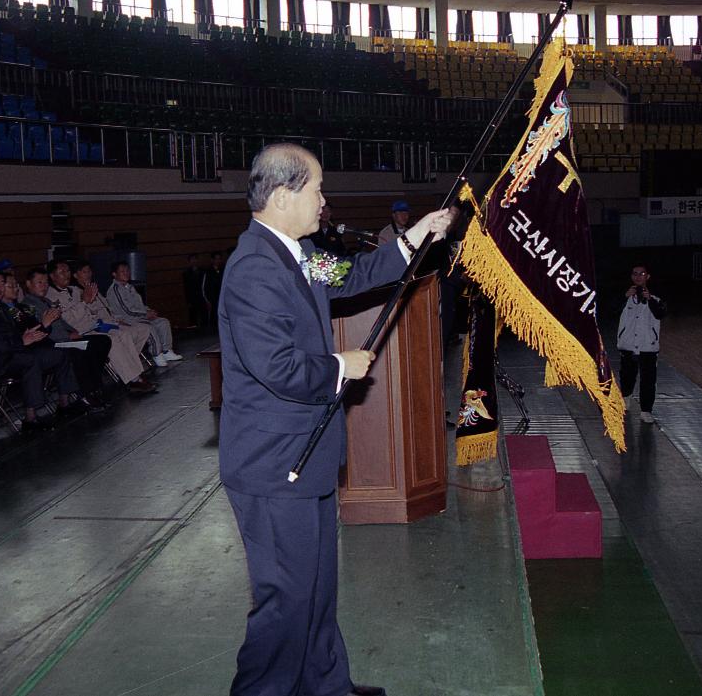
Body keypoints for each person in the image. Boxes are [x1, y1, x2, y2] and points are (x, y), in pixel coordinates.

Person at [218, 143, 454, 696]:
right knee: (287, 600)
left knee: (317, 589)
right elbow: (275, 367)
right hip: (274, 467)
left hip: (307, 458)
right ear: (282, 196)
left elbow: (351, 273)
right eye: (317, 189)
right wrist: (339, 366)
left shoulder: (297, 255)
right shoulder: (254, 267)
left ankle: (326, 688)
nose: (325, 202)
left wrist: (416, 236)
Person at [0, 268, 80, 429]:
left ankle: (64, 403)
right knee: (30, 360)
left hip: (13, 353)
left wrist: (41, 328)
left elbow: (25, 332)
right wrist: (22, 341)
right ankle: (30, 419)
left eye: (1, 284)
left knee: (59, 354)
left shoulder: (3, 308)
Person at [47, 259, 157, 395]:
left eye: (68, 271)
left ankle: (132, 372)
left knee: (126, 334)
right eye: (62, 272)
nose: (66, 275)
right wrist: (85, 303)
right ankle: (133, 379)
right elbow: (69, 320)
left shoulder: (74, 290)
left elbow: (98, 309)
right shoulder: (51, 296)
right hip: (80, 331)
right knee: (114, 339)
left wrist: (107, 319)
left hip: (95, 325)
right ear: (52, 276)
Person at [23, 267, 112, 408]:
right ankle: (84, 393)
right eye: (39, 282)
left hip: (66, 338)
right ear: (28, 284)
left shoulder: (46, 301)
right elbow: (40, 329)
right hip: (53, 342)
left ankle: (95, 386)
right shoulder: (27, 305)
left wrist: (75, 332)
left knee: (102, 341)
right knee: (80, 352)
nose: (44, 286)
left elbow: (62, 322)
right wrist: (68, 336)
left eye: (46, 282)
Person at [616, 264, 667, 424]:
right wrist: (625, 297)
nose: (638, 277)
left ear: (648, 276)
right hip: (628, 344)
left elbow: (660, 314)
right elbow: (609, 311)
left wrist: (649, 299)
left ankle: (646, 410)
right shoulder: (625, 297)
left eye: (642, 274)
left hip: (648, 346)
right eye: (635, 274)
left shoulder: (655, 298)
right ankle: (626, 398)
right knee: (626, 375)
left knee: (648, 380)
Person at [105, 262, 182, 366]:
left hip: (138, 316)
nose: (126, 273)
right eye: (122, 271)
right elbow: (127, 310)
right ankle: (157, 354)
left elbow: (139, 305)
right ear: (114, 274)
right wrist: (145, 315)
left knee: (162, 322)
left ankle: (166, 351)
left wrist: (149, 311)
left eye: (127, 270)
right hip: (127, 320)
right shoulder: (115, 290)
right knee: (149, 326)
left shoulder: (130, 287)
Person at [181, 254, 207, 329]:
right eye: (192, 259)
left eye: (195, 259)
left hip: (202, 296)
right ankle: (193, 332)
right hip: (192, 298)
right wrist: (188, 301)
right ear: (189, 261)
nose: (194, 261)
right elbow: (186, 288)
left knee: (203, 314)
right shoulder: (186, 273)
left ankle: (204, 330)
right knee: (193, 316)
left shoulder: (203, 271)